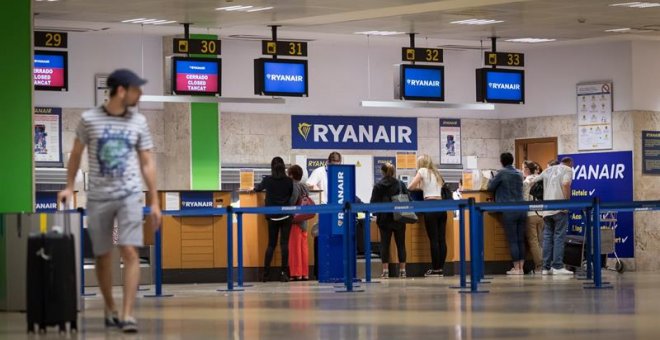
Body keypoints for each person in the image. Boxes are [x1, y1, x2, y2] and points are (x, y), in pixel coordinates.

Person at [57, 69, 161, 333]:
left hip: (129, 195)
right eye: (137, 89)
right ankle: (110, 308)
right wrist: (69, 186)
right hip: (99, 197)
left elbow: (147, 162)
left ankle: (127, 314)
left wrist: (155, 200)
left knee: (129, 251)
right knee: (103, 256)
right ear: (121, 91)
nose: (141, 94)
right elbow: (76, 154)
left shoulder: (139, 122)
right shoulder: (89, 120)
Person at [255, 156, 297, 282]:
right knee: (284, 245)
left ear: (272, 167)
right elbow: (291, 196)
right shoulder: (289, 181)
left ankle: (265, 275)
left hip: (272, 217)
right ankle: (284, 274)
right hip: (285, 215)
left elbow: (257, 189)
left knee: (271, 245)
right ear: (284, 167)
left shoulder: (267, 180)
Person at [533, 157, 574, 275]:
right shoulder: (567, 169)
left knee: (547, 238)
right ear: (570, 164)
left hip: (547, 210)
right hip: (559, 209)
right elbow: (566, 184)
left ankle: (545, 268)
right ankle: (557, 266)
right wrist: (566, 202)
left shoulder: (547, 170)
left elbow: (532, 181)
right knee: (559, 237)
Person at [408, 155, 447, 277]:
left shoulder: (422, 171)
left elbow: (410, 187)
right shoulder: (436, 173)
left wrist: (420, 187)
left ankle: (435, 269)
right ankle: (440, 268)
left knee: (434, 240)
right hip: (442, 206)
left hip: (430, 206)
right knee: (441, 239)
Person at [488, 153, 526, 275]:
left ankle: (516, 268)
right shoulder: (519, 173)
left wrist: (490, 179)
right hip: (522, 208)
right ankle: (522, 267)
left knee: (513, 240)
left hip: (509, 209)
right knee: (521, 239)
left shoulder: (502, 173)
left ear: (501, 161)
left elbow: (490, 187)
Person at [370, 162, 408, 278]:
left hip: (384, 219)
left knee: (384, 245)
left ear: (382, 172)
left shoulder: (378, 186)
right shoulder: (400, 184)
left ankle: (385, 271)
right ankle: (403, 271)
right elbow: (408, 199)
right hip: (399, 218)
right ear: (393, 172)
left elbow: (373, 203)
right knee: (401, 244)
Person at [287, 164, 310, 281]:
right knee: (303, 248)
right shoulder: (305, 187)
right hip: (304, 221)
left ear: (291, 175)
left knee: (294, 248)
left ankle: (296, 273)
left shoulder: (294, 186)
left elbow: (292, 202)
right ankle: (305, 273)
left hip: (295, 222)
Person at [522, 161, 544, 273]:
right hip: (542, 213)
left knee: (533, 241)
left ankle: (539, 266)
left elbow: (525, 199)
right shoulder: (542, 179)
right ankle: (546, 264)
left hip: (530, 214)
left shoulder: (526, 182)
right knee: (542, 241)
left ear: (527, 170)